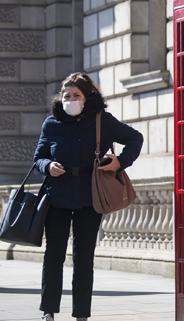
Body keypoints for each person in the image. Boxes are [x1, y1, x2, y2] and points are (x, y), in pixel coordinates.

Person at [33, 72, 143, 321]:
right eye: (66, 96)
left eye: (76, 95)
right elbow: (38, 157)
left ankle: (81, 315)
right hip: (57, 197)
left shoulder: (102, 120)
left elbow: (135, 137)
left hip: (91, 198)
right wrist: (47, 166)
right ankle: (48, 311)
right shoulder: (51, 124)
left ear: (87, 97)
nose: (71, 100)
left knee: (83, 258)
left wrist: (121, 162)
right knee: (54, 255)